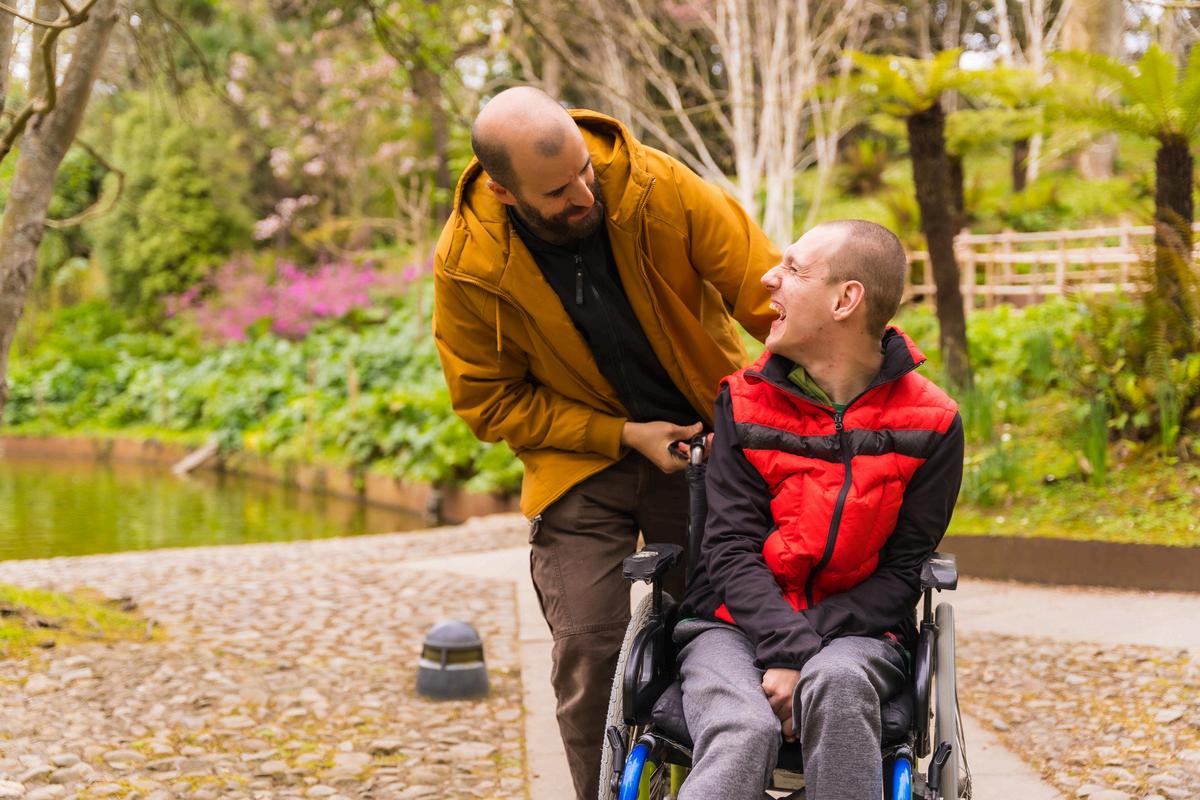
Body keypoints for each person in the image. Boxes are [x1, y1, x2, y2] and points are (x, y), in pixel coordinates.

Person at [431, 86, 778, 800]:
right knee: (591, 650)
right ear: (502, 191)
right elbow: (489, 401)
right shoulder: (467, 264)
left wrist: (820, 392)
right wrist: (619, 434)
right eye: (558, 192)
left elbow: (770, 295)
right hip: (578, 463)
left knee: (718, 633)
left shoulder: (656, 187)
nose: (584, 194)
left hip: (703, 442)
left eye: (585, 171)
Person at [675, 219, 965, 800]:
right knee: (742, 726)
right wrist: (788, 647)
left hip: (859, 633)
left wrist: (804, 649)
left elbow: (902, 572)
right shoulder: (743, 400)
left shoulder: (933, 423)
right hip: (730, 626)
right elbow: (728, 548)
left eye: (793, 269)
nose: (769, 278)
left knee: (838, 682)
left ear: (845, 300)